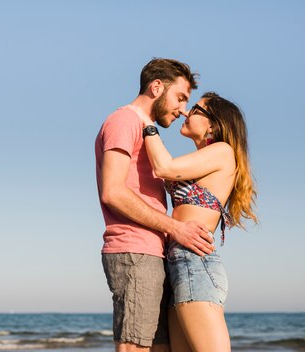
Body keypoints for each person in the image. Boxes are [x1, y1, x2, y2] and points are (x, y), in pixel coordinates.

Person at [95, 58, 215, 352]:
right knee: (135, 347)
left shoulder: (145, 129)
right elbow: (113, 191)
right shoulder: (124, 121)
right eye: (181, 97)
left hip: (152, 253)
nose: (183, 109)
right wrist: (177, 228)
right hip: (134, 252)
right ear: (157, 87)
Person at [128, 92, 258, 352]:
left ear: (213, 124)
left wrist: (145, 120)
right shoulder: (203, 160)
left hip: (195, 263)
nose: (187, 112)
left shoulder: (222, 151)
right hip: (178, 265)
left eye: (196, 109)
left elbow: (164, 167)